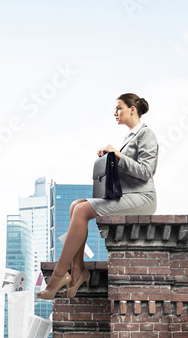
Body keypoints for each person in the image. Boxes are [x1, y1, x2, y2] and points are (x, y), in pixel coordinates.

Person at [37, 93, 158, 299]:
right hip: (128, 194)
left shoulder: (146, 134)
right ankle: (77, 271)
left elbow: (147, 171)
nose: (115, 113)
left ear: (132, 109)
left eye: (119, 108)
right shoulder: (129, 137)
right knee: (76, 205)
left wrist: (117, 155)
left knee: (82, 210)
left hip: (143, 198)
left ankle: (59, 275)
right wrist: (110, 157)